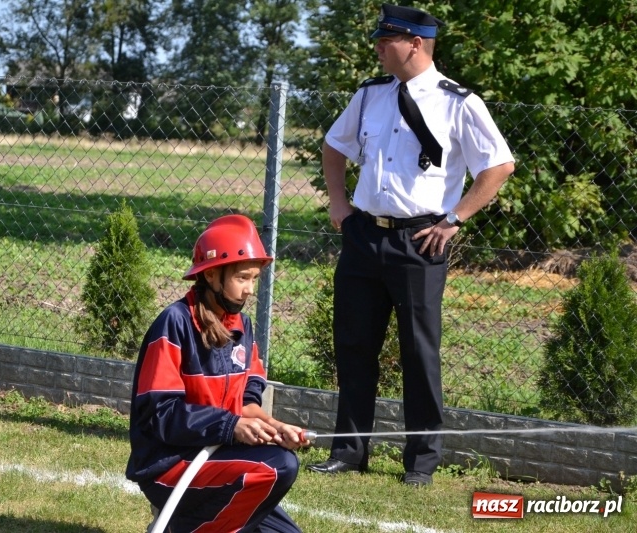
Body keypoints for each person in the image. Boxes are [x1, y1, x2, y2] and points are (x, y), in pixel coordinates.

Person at [306, 3, 515, 487]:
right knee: (354, 346)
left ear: (415, 44)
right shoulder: (371, 94)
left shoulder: (459, 102)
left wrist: (454, 220)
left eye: (386, 41)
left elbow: (499, 166)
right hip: (363, 235)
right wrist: (338, 203)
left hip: (420, 241)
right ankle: (349, 452)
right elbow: (334, 146)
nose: (378, 49)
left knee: (419, 354)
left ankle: (421, 462)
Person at [126, 214, 308, 532]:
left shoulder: (243, 327)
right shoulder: (174, 323)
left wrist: (275, 428)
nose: (250, 289)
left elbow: (248, 402)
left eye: (254, 279)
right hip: (169, 465)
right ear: (212, 275)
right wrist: (232, 427)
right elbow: (161, 415)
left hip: (219, 458)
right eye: (242, 278)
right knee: (278, 467)